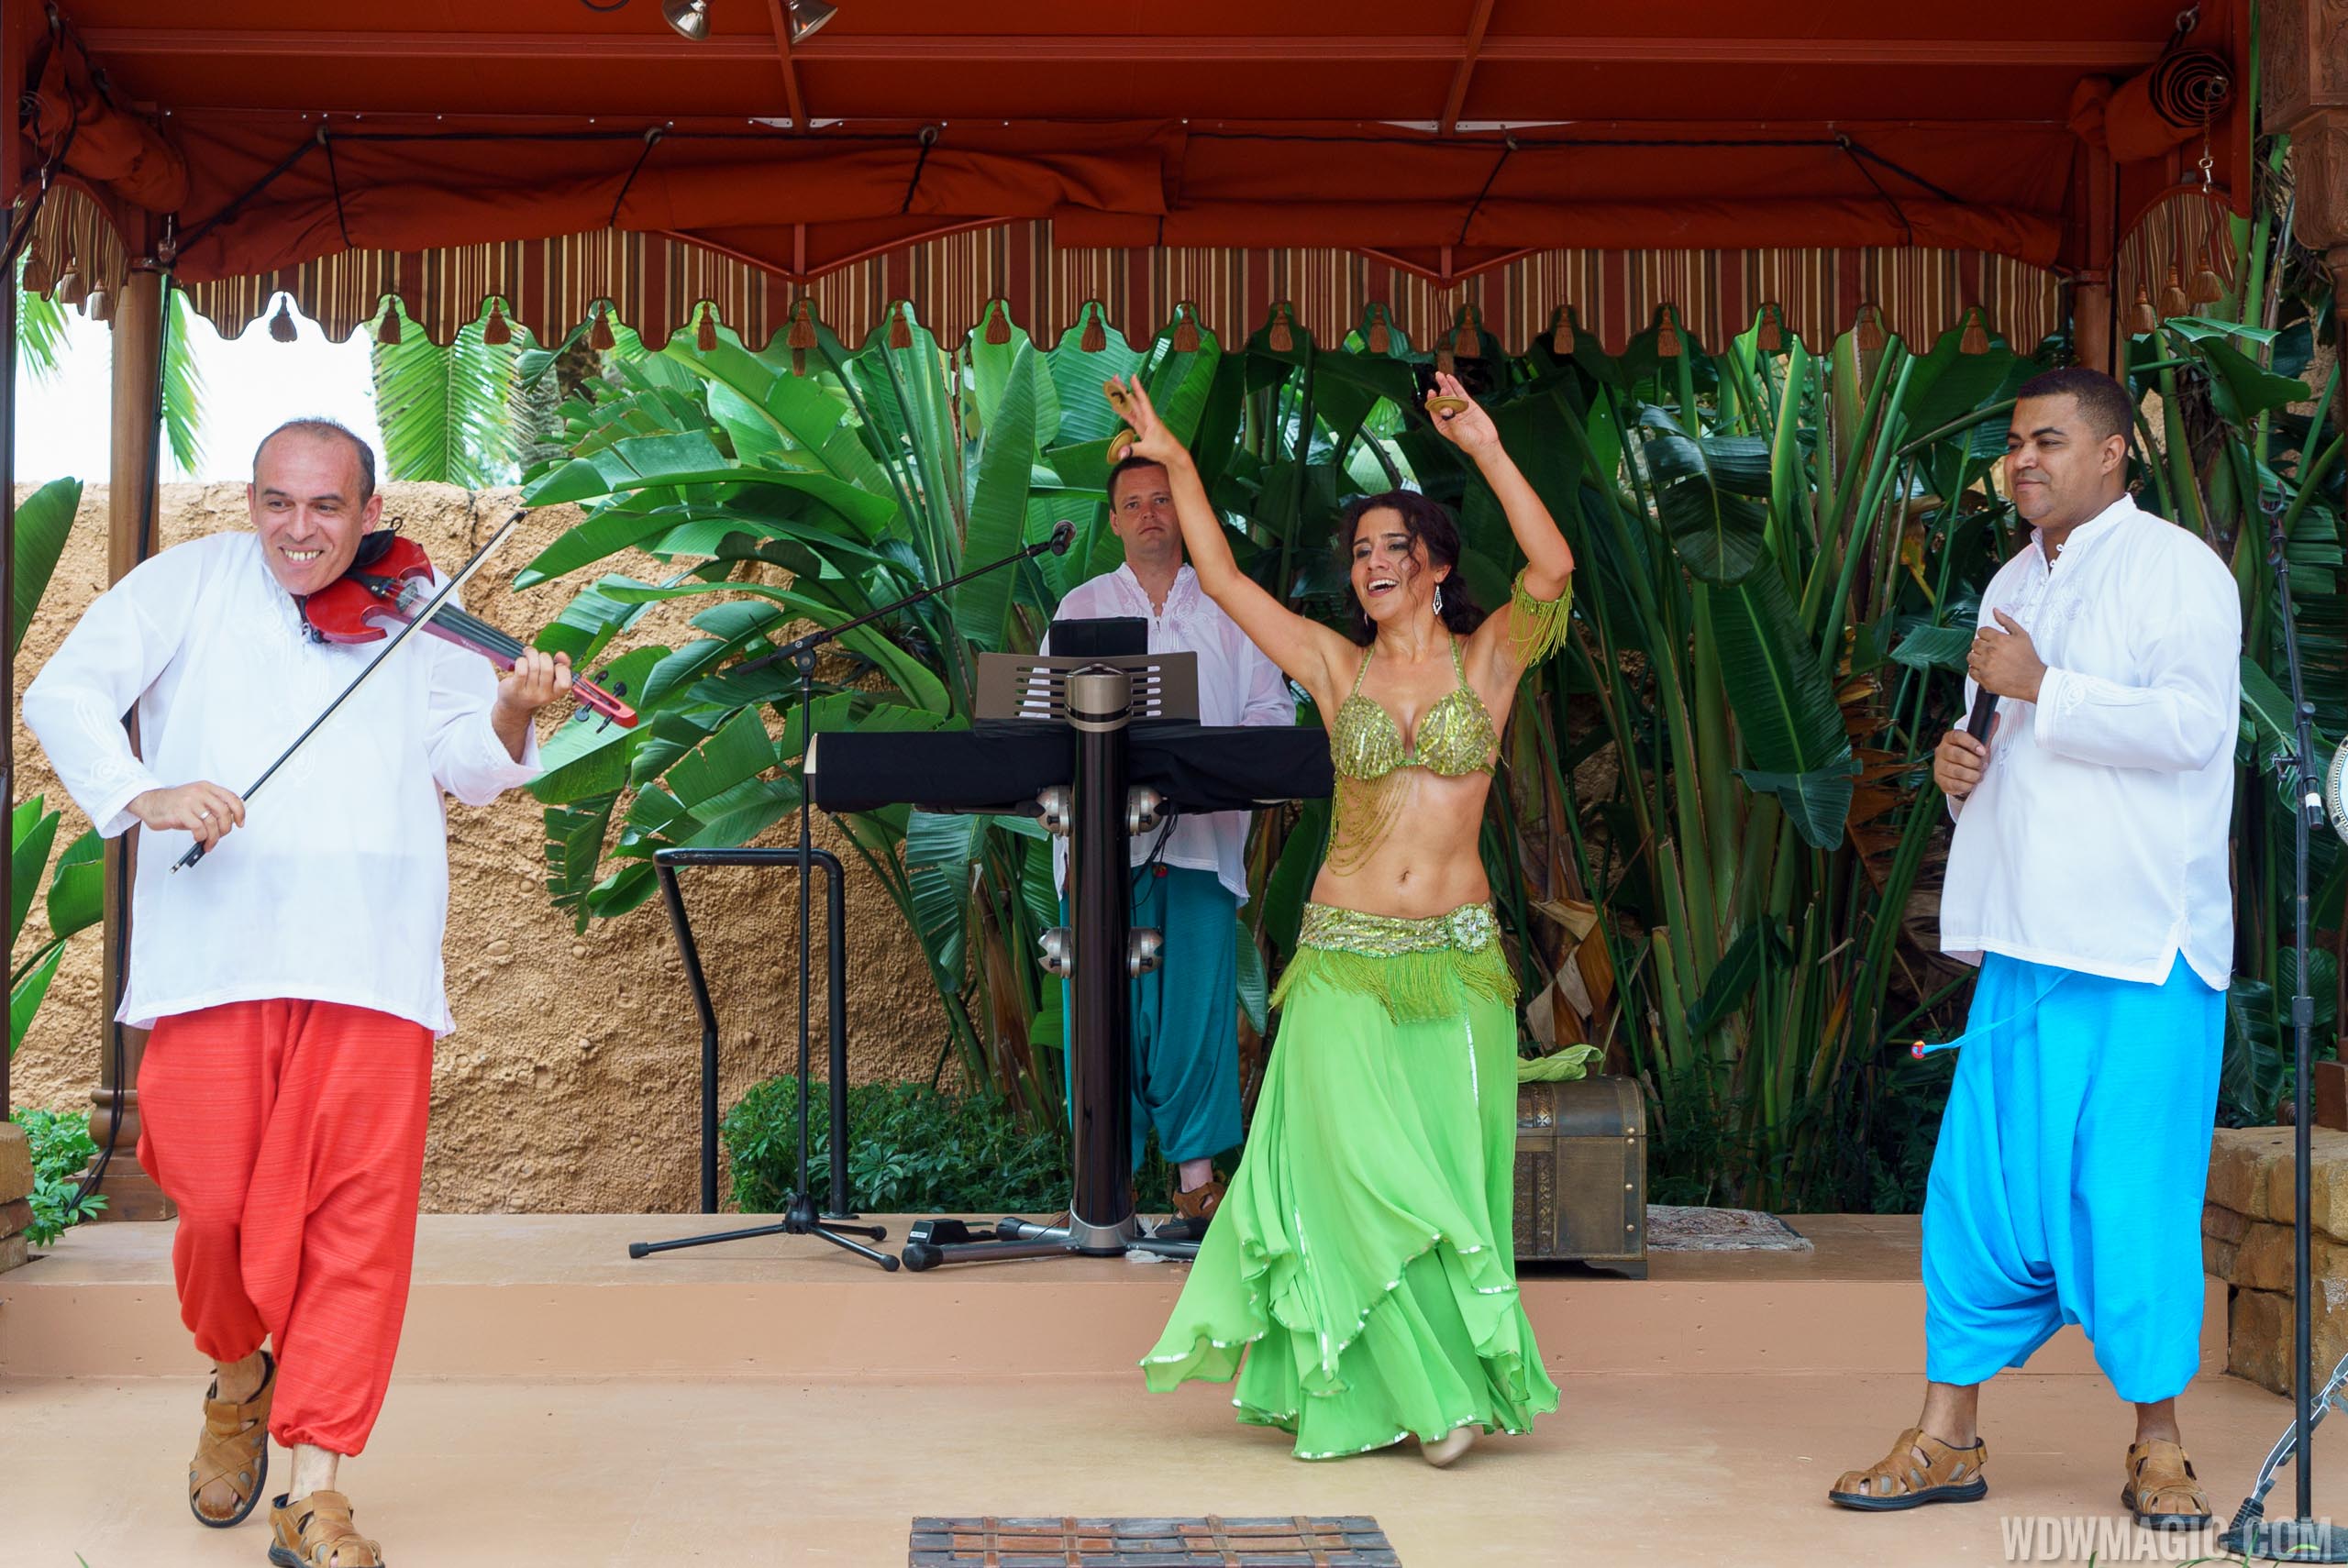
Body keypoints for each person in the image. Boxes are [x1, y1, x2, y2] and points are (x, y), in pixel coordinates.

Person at [24, 419, 572, 1568]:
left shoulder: (417, 609)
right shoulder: (184, 584)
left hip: (372, 960)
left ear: (370, 512)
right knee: (212, 1203)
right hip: (215, 956)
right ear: (252, 502)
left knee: (356, 1230)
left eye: (326, 508)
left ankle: (316, 1487)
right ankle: (237, 1375)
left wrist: (515, 706)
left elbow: (469, 763)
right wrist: (144, 790)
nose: (299, 531)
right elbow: (63, 697)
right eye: (277, 503)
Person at [1122, 370, 1574, 1465]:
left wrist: (1488, 448)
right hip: (1342, 956)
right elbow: (1221, 580)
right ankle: (1420, 1395)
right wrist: (1176, 463)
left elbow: (1552, 566)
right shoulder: (1334, 666)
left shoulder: (1490, 661)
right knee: (1356, 1174)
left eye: (1391, 550)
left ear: (1436, 566)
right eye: (1360, 554)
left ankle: (1446, 1383)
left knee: (1445, 1176)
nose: (1371, 567)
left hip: (1456, 962)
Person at [1828, 368, 2240, 1529]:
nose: (2022, 460)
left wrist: (2042, 687)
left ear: (2113, 456)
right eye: (2014, 442)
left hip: (2143, 950)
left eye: (2048, 441)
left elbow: (2193, 727)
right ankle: (1947, 1434)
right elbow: (2016, 752)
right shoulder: (2012, 578)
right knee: (1981, 1198)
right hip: (2025, 945)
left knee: (2130, 1197)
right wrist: (1967, 774)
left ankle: (2159, 1448)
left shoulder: (2177, 571)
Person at [1044, 455, 1294, 1237]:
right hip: (1096, 861)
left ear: (1185, 513)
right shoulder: (1078, 609)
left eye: (1163, 499)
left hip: (1199, 847)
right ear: (1113, 522)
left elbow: (1271, 716)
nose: (1150, 513)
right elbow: (1035, 731)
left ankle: (1195, 1191)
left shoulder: (1231, 608)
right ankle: (1100, 1193)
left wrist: (1212, 766)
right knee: (1101, 1018)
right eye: (1133, 503)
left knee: (1193, 1018)